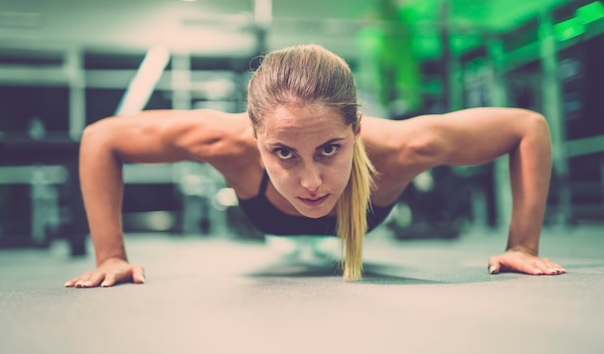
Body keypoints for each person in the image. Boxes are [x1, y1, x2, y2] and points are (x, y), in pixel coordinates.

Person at [65, 44, 565, 288]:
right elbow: (101, 138)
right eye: (282, 152)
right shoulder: (224, 141)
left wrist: (522, 244)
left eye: (329, 149)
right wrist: (111, 255)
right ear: (255, 138)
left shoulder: (404, 148)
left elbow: (528, 127)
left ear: (358, 132)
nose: (309, 182)